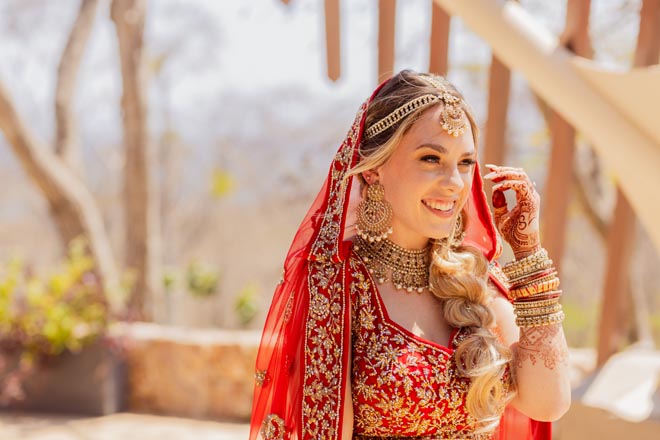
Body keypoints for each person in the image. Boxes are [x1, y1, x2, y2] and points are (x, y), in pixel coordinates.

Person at [249, 70, 571, 440]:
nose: (454, 182)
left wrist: (528, 252)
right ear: (373, 170)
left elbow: (549, 402)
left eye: (465, 163)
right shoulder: (338, 286)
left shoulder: (474, 279)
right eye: (431, 158)